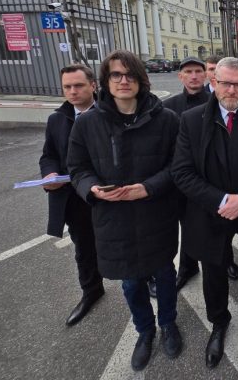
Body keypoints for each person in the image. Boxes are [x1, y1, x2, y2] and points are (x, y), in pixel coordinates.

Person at [67, 50, 182, 371]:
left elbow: (179, 165)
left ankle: (169, 324)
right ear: (105, 81)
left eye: (130, 74)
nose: (123, 81)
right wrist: (90, 187)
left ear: (141, 80)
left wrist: (149, 187)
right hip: (113, 217)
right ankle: (145, 331)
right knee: (131, 283)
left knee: (164, 275)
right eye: (116, 75)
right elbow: (77, 168)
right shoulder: (88, 123)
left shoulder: (166, 120)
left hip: (155, 214)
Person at [171, 57, 238, 369]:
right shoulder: (191, 121)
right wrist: (221, 200)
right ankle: (219, 322)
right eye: (225, 82)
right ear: (214, 83)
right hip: (210, 212)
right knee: (214, 269)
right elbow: (182, 172)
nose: (231, 89)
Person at [163, 56, 238, 291]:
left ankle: (226, 260)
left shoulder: (217, 100)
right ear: (181, 76)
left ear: (209, 77)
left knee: (222, 226)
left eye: (199, 71)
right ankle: (187, 267)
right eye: (188, 71)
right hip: (184, 179)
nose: (194, 75)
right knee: (188, 227)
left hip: (213, 182)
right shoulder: (170, 106)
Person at [39, 63, 104, 326]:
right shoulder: (57, 119)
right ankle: (91, 291)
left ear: (93, 85)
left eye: (78, 85)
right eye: (68, 87)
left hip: (108, 194)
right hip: (73, 197)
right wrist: (50, 175)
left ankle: (146, 281)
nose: (73, 91)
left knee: (128, 240)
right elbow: (49, 155)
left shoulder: (109, 113)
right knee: (84, 248)